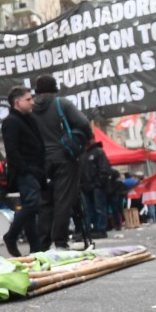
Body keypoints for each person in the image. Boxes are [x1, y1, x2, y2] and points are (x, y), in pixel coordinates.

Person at [31, 75, 92, 250]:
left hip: (41, 160)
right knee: (64, 199)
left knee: (45, 202)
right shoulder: (62, 104)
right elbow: (83, 124)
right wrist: (81, 142)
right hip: (64, 157)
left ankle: (43, 244)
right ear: (55, 88)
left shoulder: (31, 107)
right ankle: (60, 241)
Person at [0, 86, 45, 257]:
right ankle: (11, 236)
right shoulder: (11, 122)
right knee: (31, 205)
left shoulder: (30, 119)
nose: (32, 102)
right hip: (25, 171)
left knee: (31, 209)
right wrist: (25, 170)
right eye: (28, 99)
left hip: (35, 170)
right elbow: (12, 150)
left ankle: (36, 247)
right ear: (17, 102)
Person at [79, 140, 112, 239]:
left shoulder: (98, 152)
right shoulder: (82, 154)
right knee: (87, 210)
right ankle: (89, 230)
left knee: (99, 208)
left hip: (96, 186)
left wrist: (98, 183)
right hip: (85, 186)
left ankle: (101, 229)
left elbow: (104, 168)